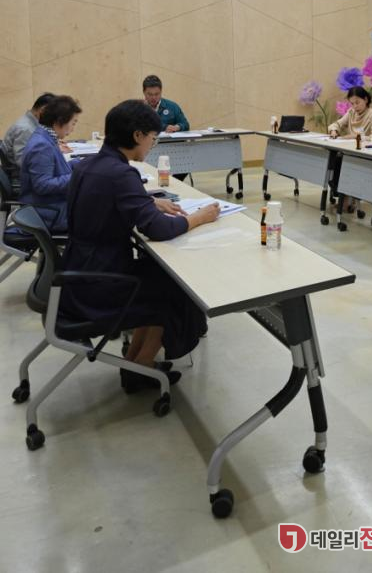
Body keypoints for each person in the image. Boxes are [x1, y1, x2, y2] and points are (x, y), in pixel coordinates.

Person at [61, 99, 219, 393]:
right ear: (137, 135)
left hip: (79, 270)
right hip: (99, 283)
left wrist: (147, 201)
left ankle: (134, 364)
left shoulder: (88, 165)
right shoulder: (121, 174)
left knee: (158, 275)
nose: (151, 145)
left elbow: (106, 200)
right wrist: (199, 217)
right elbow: (158, 229)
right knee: (175, 288)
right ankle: (142, 366)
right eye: (152, 138)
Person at [20, 95, 82, 233]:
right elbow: (43, 185)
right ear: (60, 121)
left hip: (50, 206)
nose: (73, 128)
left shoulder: (45, 137)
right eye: (73, 123)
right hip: (49, 213)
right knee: (103, 212)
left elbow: (56, 168)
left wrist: (80, 164)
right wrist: (77, 176)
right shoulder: (41, 145)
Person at [1, 93, 55, 193]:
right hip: (21, 177)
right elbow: (22, 161)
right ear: (42, 110)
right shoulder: (26, 128)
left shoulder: (31, 123)